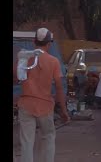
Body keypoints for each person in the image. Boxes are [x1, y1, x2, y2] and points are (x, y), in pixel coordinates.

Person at [13, 28, 70, 162]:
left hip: (26, 105)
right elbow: (59, 88)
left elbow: (16, 78)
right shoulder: (53, 61)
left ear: (34, 42)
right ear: (49, 44)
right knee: (48, 137)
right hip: (45, 106)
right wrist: (63, 110)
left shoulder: (24, 58)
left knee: (27, 141)